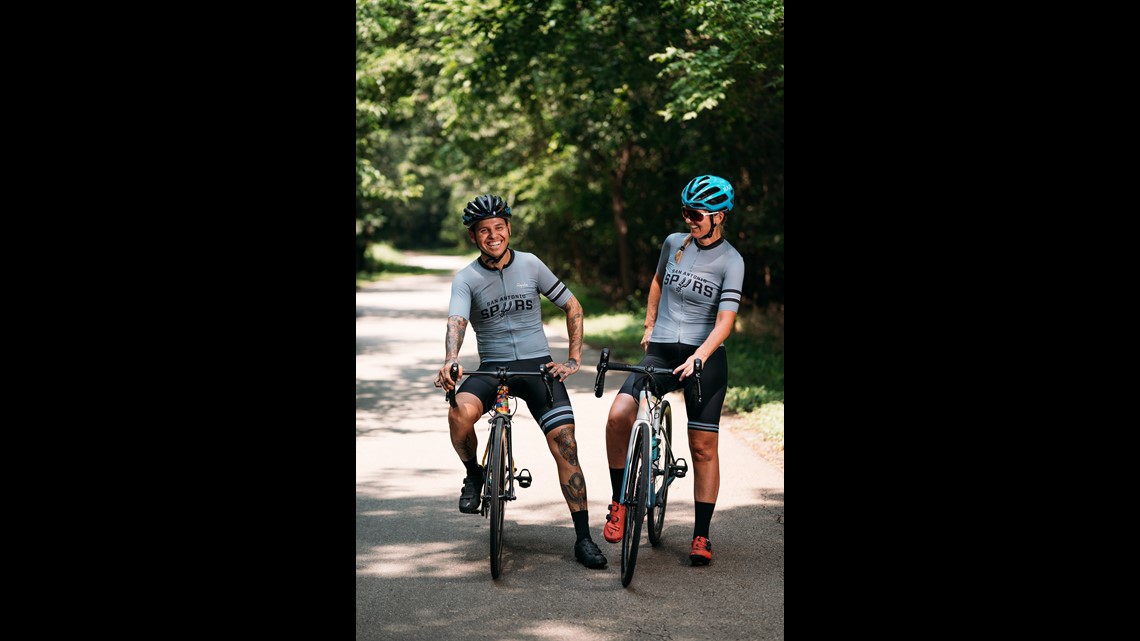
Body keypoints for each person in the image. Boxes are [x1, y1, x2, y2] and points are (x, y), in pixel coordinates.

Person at [434, 193, 607, 570]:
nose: (493, 236)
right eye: (484, 231)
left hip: (537, 368)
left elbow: (572, 305)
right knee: (458, 416)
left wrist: (574, 359)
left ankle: (583, 539)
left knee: (566, 445)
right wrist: (451, 359)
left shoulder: (530, 265)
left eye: (499, 228)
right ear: (473, 237)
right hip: (491, 367)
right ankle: (474, 475)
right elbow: (457, 322)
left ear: (509, 229)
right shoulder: (467, 279)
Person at [601, 175, 745, 566]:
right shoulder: (673, 244)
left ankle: (701, 534)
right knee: (618, 417)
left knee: (702, 448)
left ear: (719, 217)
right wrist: (649, 326)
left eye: (696, 214)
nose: (690, 220)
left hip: (704, 357)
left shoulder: (732, 261)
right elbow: (657, 283)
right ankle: (619, 503)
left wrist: (699, 356)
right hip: (662, 352)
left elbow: (725, 322)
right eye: (685, 212)